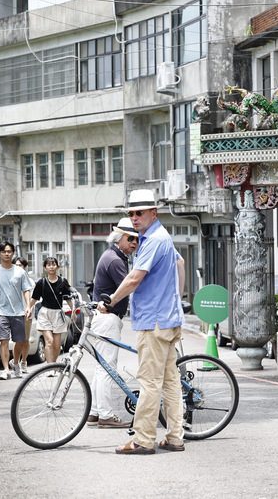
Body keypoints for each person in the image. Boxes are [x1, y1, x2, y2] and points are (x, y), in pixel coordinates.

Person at [98, 189, 186, 455]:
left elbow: (134, 279)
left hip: (154, 322)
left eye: (140, 213)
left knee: (149, 383)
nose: (135, 218)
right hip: (168, 319)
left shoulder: (154, 240)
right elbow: (180, 264)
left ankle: (143, 440)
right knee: (170, 381)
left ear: (153, 213)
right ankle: (175, 437)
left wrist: (110, 300)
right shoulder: (160, 238)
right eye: (132, 214)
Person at [87, 217, 139, 429]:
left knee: (102, 367)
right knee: (107, 368)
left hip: (103, 318)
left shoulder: (111, 255)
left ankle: (94, 412)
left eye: (137, 239)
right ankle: (106, 415)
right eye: (131, 239)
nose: (134, 243)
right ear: (119, 238)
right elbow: (128, 287)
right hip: (108, 318)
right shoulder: (116, 260)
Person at [0, 241, 32, 380]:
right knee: (3, 340)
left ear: (13, 253)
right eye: (4, 251)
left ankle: (15, 362)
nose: (7, 254)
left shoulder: (20, 272)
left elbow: (26, 290)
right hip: (1, 311)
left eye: (9, 251)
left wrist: (28, 306)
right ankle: (6, 369)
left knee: (20, 341)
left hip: (18, 311)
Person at [28, 257, 72, 364]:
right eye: (48, 265)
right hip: (45, 313)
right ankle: (49, 367)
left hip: (58, 314)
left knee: (57, 345)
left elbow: (68, 298)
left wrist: (73, 310)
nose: (51, 267)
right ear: (45, 267)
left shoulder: (63, 282)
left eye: (53, 264)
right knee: (49, 341)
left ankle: (53, 363)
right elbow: (34, 298)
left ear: (57, 266)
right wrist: (28, 308)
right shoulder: (41, 283)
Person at [14, 257, 35, 374]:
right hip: (15, 314)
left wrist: (30, 309)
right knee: (18, 340)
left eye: (20, 265)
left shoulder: (30, 282)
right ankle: (15, 362)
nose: (18, 267)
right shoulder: (11, 281)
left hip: (27, 314)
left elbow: (34, 298)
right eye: (16, 265)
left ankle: (24, 362)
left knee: (25, 340)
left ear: (24, 267)